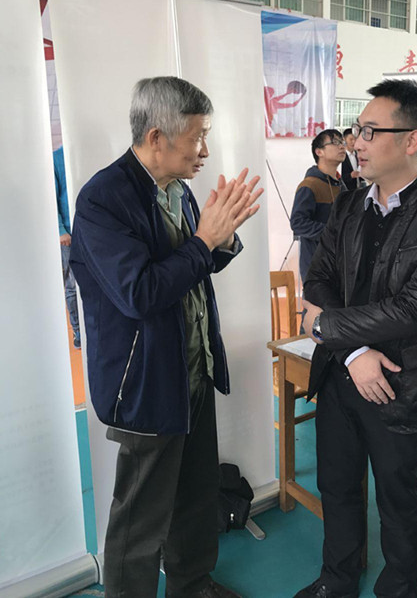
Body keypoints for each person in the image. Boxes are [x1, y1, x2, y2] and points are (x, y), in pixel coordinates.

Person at [70, 77, 263, 598]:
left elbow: (196, 264)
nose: (205, 151)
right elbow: (140, 292)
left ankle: (192, 585)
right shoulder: (103, 199)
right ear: (157, 136)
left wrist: (221, 239)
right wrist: (205, 241)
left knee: (195, 495)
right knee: (140, 517)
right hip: (144, 380)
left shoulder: (177, 188)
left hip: (191, 368)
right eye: (197, 137)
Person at [296, 79, 417, 598]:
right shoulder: (350, 203)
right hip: (342, 372)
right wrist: (353, 352)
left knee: (398, 496)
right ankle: (337, 580)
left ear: (411, 140)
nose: (355, 142)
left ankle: (399, 588)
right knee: (336, 484)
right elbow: (320, 278)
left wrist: (324, 327)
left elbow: (412, 310)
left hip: (403, 380)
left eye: (369, 131)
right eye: (357, 129)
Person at [290, 129, 346, 284]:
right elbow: (297, 223)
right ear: (319, 152)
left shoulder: (341, 186)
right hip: (316, 266)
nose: (342, 146)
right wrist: (330, 233)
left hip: (339, 264)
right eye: (335, 142)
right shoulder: (309, 185)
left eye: (342, 142)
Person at [53, 145, 80, 348]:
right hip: (69, 236)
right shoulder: (56, 159)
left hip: (89, 230)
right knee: (72, 286)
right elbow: (52, 198)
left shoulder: (85, 151)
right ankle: (78, 332)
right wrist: (61, 229)